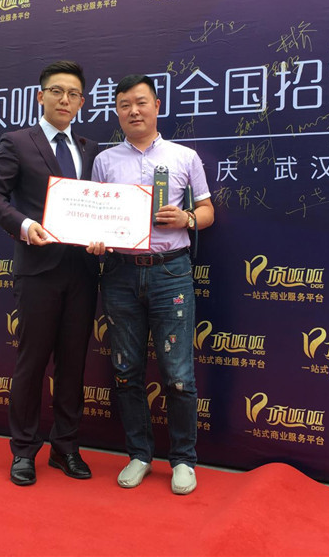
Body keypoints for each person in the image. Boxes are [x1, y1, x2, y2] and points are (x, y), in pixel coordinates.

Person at [90, 74, 214, 495]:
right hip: (120, 273)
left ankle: (183, 459)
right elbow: (94, 215)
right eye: (124, 104)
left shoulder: (184, 156)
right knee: (126, 370)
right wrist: (96, 237)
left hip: (169, 272)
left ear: (157, 105)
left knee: (178, 373)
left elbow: (207, 210)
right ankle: (139, 454)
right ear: (117, 112)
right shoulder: (105, 161)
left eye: (140, 102)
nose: (133, 111)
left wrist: (187, 218)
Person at [0, 60, 100, 486]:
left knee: (73, 364)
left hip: (83, 271)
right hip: (38, 270)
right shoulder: (17, 142)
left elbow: (102, 207)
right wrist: (25, 226)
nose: (64, 99)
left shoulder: (90, 149)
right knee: (31, 363)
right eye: (56, 91)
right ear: (40, 96)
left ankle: (65, 447)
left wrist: (104, 236)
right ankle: (24, 450)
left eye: (73, 94)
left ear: (82, 102)